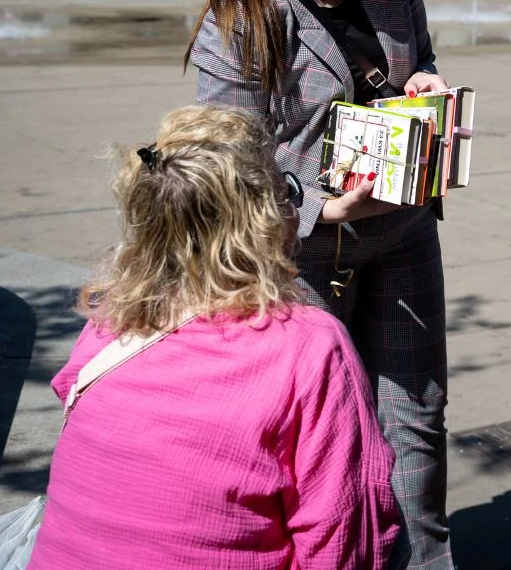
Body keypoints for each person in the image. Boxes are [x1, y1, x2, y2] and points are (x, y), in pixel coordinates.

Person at [187, 0, 455, 570]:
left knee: (417, 425)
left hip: (402, 235)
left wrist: (426, 88)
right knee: (318, 447)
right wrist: (320, 205)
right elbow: (227, 168)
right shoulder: (244, 17)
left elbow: (419, 59)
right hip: (298, 262)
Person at [29, 105, 399, 569]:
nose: (292, 208)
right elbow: (346, 540)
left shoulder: (109, 319)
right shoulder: (308, 346)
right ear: (260, 220)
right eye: (287, 194)